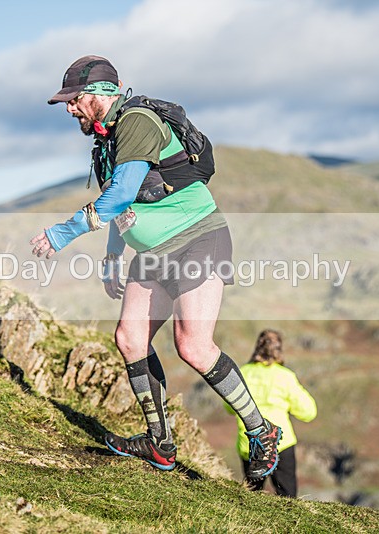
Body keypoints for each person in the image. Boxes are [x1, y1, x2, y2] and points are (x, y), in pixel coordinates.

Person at [31, 55, 282, 478]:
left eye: (75, 100)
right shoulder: (107, 141)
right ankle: (159, 443)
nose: (70, 108)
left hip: (198, 240)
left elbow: (122, 193)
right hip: (152, 255)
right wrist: (113, 256)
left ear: (100, 95)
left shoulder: (138, 122)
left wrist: (62, 233)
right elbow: (120, 204)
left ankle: (262, 432)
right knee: (129, 338)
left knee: (193, 346)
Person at [228, 329, 317, 497]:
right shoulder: (285, 377)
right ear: (279, 350)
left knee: (251, 495)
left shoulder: (243, 373)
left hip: (250, 443)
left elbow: (229, 407)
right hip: (281, 444)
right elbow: (309, 412)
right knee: (288, 496)